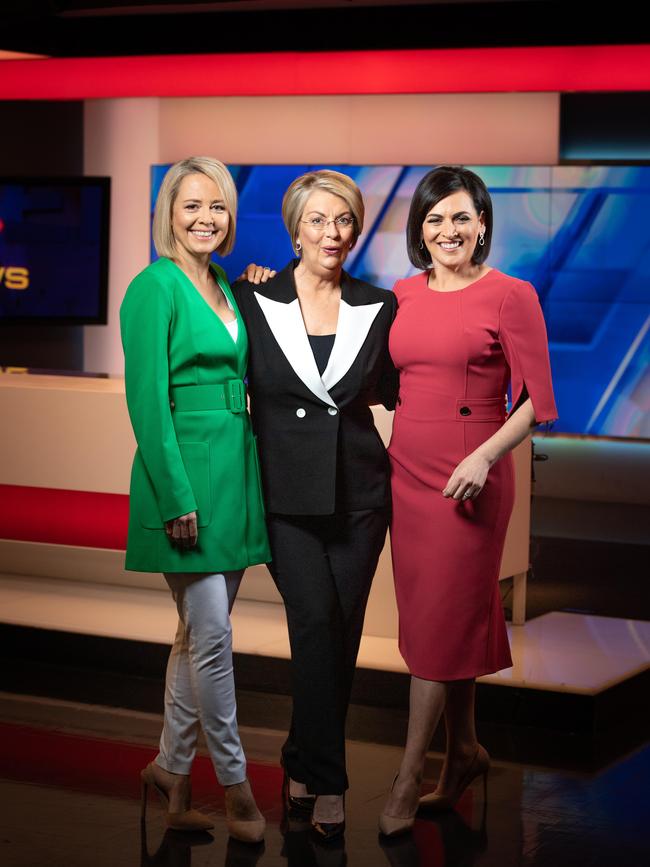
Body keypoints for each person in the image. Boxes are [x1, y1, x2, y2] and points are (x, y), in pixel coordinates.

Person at [379, 165, 557, 835]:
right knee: (439, 619)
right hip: (408, 475)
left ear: (482, 222)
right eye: (434, 219)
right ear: (418, 230)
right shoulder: (401, 293)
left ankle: (406, 777)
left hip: (471, 476)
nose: (447, 230)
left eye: (460, 217)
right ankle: (464, 752)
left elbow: (538, 399)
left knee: (436, 628)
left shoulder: (511, 294)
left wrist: (485, 455)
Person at [233, 170, 399, 840]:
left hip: (360, 496)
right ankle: (327, 779)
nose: (332, 234)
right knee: (315, 620)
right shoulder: (251, 298)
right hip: (283, 497)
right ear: (295, 228)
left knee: (342, 632)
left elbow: (398, 392)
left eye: (344, 221)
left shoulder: (379, 305)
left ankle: (301, 760)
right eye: (318, 221)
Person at [120, 156, 270, 843]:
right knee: (212, 640)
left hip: (235, 474)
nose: (206, 218)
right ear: (168, 215)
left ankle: (171, 773)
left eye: (218, 207)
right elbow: (148, 403)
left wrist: (261, 286)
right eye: (192, 206)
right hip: (185, 479)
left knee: (192, 636)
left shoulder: (226, 289)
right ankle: (237, 789)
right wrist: (176, 493)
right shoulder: (154, 287)